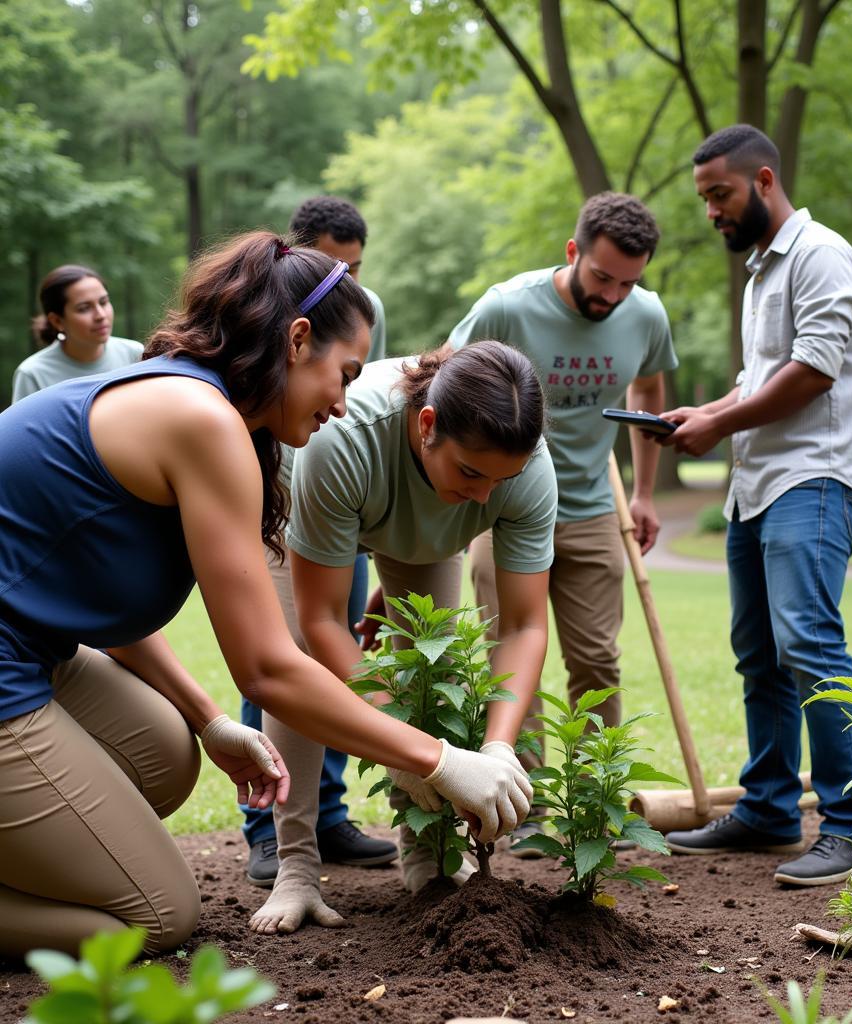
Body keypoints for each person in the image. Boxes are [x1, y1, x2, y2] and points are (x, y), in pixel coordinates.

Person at [0, 232, 531, 958]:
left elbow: (94, 599)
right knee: (155, 916)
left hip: (33, 652)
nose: (345, 404)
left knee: (164, 755)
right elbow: (270, 668)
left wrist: (209, 720)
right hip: (7, 672)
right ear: (297, 339)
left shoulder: (207, 412)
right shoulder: (202, 420)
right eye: (342, 374)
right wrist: (439, 759)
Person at [249, 340, 556, 935]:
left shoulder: (527, 469)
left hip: (423, 535)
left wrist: (495, 748)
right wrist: (408, 747)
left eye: (502, 479)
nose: (484, 496)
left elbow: (523, 625)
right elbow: (322, 623)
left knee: (430, 674)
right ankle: (296, 868)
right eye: (470, 470)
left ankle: (428, 855)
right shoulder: (345, 436)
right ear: (427, 425)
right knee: (299, 665)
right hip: (316, 509)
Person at [660, 125, 852, 886]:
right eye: (704, 200)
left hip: (813, 481)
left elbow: (813, 372)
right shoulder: (764, 272)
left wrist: (719, 423)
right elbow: (760, 382)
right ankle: (770, 809)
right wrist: (701, 414)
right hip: (758, 488)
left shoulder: (820, 257)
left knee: (811, 646)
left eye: (719, 195)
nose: (712, 212)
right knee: (760, 655)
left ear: (762, 180)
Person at [446, 192, 677, 851]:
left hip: (591, 508)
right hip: (505, 507)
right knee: (507, 657)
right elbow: (446, 378)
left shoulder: (645, 314)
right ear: (573, 252)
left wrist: (644, 492)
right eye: (603, 277)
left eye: (629, 283)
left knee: (597, 661)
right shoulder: (508, 307)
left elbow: (650, 391)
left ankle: (595, 802)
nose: (613, 295)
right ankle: (527, 802)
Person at [239, 196, 396, 885]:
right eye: (337, 265)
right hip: (278, 501)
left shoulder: (364, 312)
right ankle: (268, 829)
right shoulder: (265, 327)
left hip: (340, 505)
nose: (349, 281)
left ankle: (327, 812)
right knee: (280, 655)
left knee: (337, 650)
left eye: (357, 267)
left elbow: (349, 405)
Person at [12, 264, 142, 402]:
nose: (101, 315)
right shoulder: (33, 374)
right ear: (57, 321)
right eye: (84, 308)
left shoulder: (134, 354)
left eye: (103, 302)